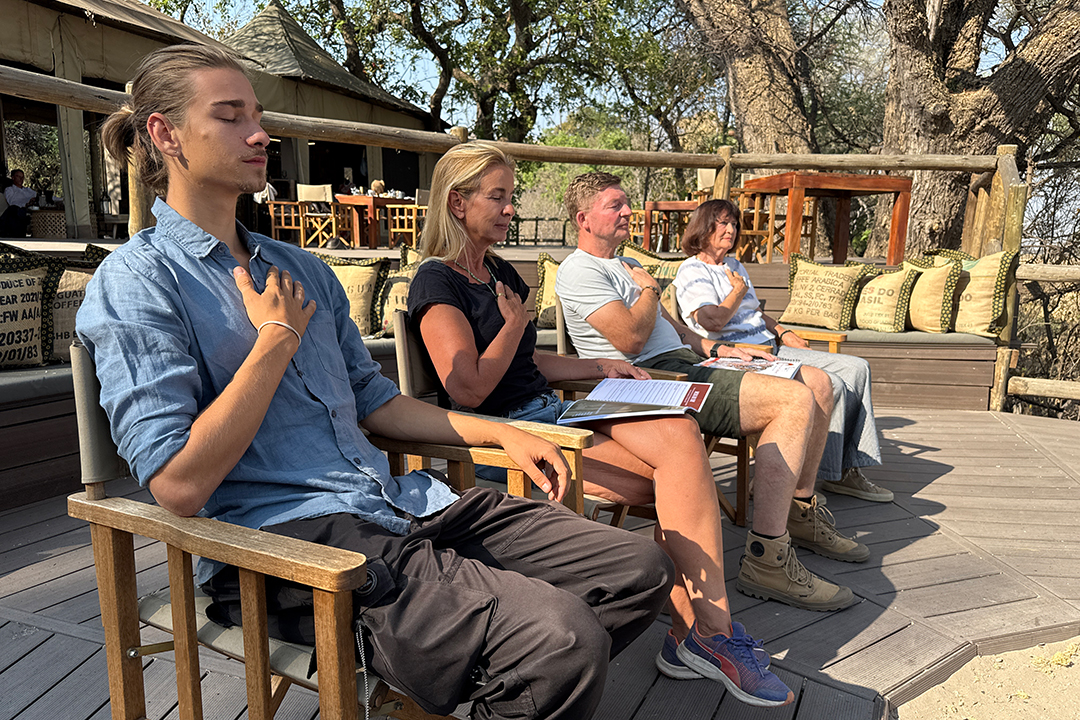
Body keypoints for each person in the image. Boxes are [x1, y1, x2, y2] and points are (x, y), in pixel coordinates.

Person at [76, 45, 673, 720]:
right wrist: (275, 340)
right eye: (230, 115)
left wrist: (504, 433)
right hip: (293, 549)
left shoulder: (300, 268)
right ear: (164, 133)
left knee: (637, 569)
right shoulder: (138, 282)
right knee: (560, 636)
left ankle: (493, 685)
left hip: (400, 504)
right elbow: (178, 486)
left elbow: (376, 402)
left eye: (258, 114)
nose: (259, 132)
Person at [407, 141, 794, 707]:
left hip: (554, 410)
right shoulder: (436, 282)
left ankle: (703, 635)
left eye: (511, 197)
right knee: (681, 481)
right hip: (505, 439)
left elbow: (527, 364)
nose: (511, 208)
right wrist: (516, 324)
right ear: (457, 203)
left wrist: (598, 365)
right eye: (499, 198)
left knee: (679, 432)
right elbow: (466, 386)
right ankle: (704, 637)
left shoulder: (499, 272)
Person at [557, 171, 872, 612]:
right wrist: (650, 289)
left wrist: (726, 349)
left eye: (627, 203)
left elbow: (678, 332)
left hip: (688, 363)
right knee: (792, 400)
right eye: (616, 205)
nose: (628, 211)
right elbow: (629, 340)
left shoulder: (625, 265)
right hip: (644, 382)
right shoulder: (579, 270)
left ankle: (799, 513)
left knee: (817, 382)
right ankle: (767, 557)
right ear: (584, 218)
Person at [675, 199, 891, 502]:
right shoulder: (691, 271)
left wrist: (783, 330)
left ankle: (843, 471)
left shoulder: (734, 266)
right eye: (722, 223)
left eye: (734, 224)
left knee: (857, 368)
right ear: (702, 227)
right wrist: (736, 292)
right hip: (740, 356)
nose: (731, 229)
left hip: (770, 345)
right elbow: (712, 320)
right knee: (834, 385)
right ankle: (810, 479)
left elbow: (755, 313)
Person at [1, 169, 37, 237]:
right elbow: (12, 202)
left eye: (22, 177)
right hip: (18, 211)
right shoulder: (10, 190)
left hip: (32, 210)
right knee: (14, 210)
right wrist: (26, 204)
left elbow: (39, 196)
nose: (21, 179)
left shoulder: (28, 190)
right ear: (13, 177)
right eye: (18, 176)